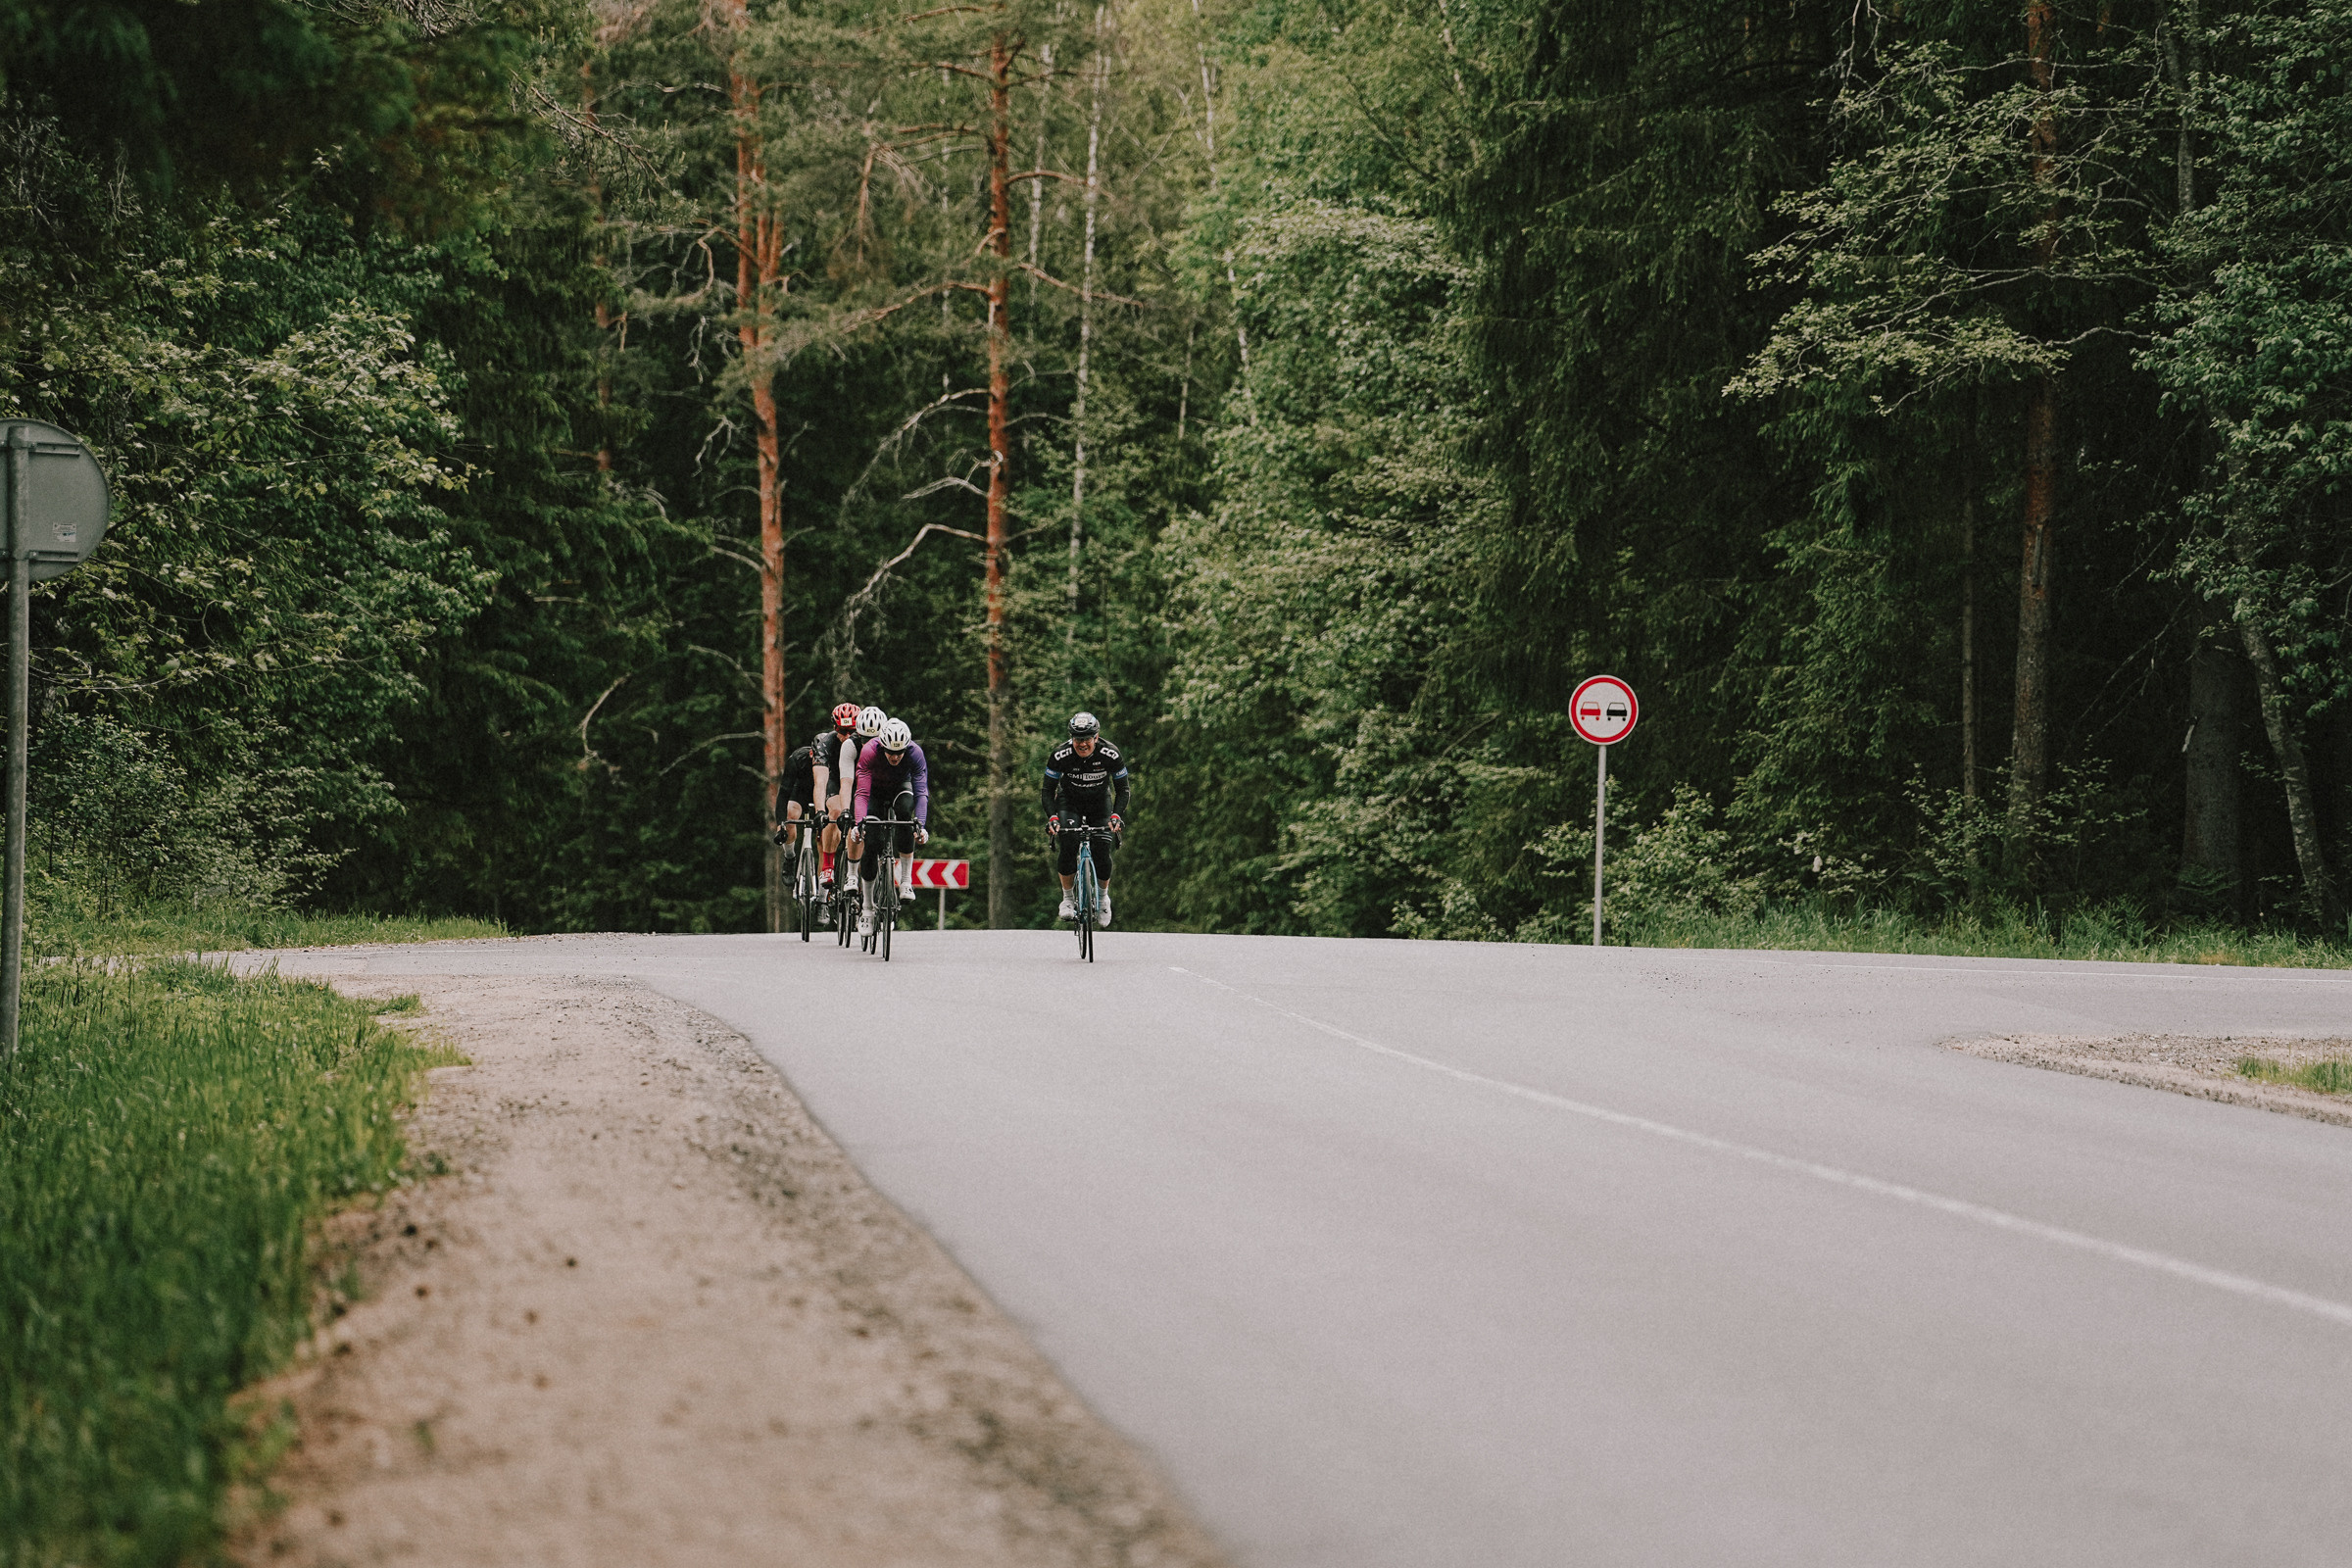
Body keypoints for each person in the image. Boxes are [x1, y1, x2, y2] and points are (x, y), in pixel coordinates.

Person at [1042, 710, 1128, 927]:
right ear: (1072, 738)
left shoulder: (1111, 754)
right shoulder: (1060, 755)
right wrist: (1052, 817)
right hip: (1069, 802)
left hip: (1100, 803)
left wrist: (1116, 816)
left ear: (1096, 737)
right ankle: (1068, 900)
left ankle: (1102, 898)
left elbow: (1123, 789)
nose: (1082, 744)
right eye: (1077, 739)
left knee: (1102, 849)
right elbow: (1047, 790)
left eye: (1087, 739)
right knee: (1068, 844)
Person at [850, 716, 930, 935]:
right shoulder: (869, 751)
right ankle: (867, 907)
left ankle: (905, 880)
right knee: (871, 842)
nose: (895, 757)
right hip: (874, 792)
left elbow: (921, 792)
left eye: (899, 752)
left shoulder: (915, 753)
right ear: (882, 745)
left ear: (906, 747)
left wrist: (921, 825)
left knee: (905, 814)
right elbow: (862, 793)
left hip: (900, 788)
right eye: (890, 752)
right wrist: (859, 824)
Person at [808, 703, 871, 901]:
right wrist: (820, 811)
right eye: (842, 731)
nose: (846, 736)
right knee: (834, 812)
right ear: (834, 728)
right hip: (834, 780)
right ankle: (828, 865)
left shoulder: (865, 744)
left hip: (858, 782)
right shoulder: (825, 744)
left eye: (852, 731)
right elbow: (820, 782)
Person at [770, 739, 820, 863]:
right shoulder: (797, 759)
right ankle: (789, 856)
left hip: (824, 792)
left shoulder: (836, 758)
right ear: (811, 754)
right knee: (790, 814)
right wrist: (780, 825)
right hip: (800, 791)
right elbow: (783, 794)